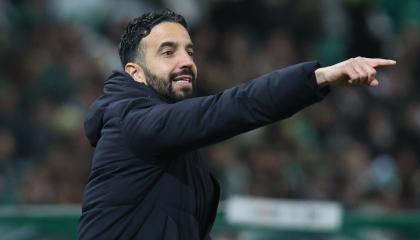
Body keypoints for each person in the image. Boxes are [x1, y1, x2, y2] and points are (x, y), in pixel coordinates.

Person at [77, 9, 396, 240]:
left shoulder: (170, 143)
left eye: (189, 51)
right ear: (135, 72)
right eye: (168, 52)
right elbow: (232, 106)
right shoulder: (129, 121)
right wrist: (319, 77)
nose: (187, 61)